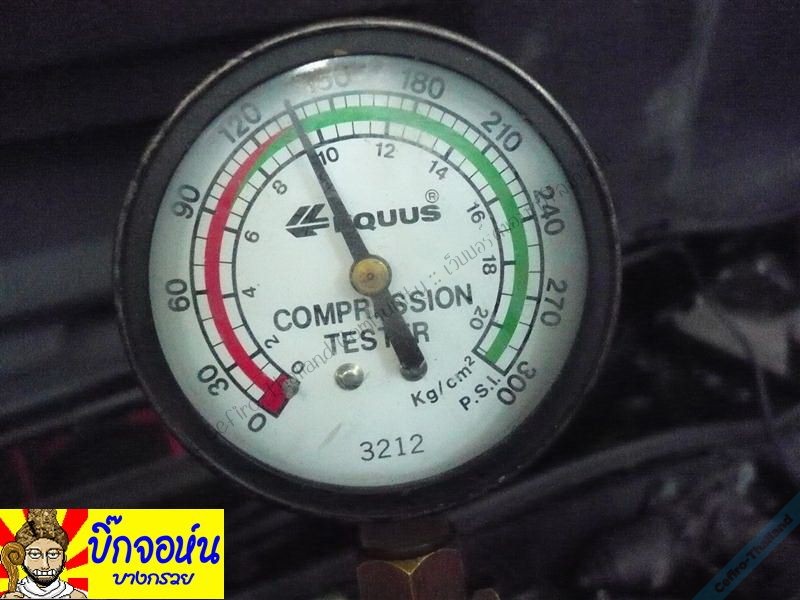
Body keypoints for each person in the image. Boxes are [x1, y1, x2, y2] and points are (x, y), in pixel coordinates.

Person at [1, 509, 87, 599]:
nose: (45, 566)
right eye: (34, 554)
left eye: (53, 554)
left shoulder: (75, 596)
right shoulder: (13, 596)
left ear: (64, 558)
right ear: (22, 557)